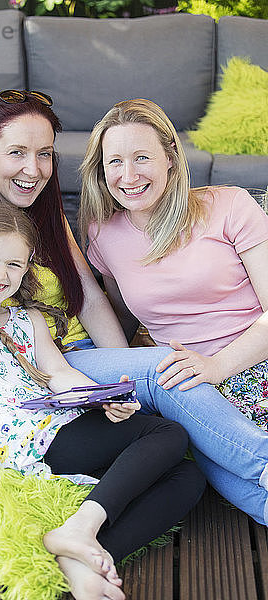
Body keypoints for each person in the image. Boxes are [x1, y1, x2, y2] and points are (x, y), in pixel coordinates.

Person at [0, 89, 268, 528]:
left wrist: (126, 370)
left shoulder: (46, 215)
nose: (33, 169)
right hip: (42, 363)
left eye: (44, 154)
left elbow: (88, 294)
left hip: (89, 360)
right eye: (17, 152)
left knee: (189, 442)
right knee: (167, 369)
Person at [0, 204, 206, 600]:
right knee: (167, 434)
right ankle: (81, 529)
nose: (1, 274)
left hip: (53, 425)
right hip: (14, 437)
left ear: (28, 265)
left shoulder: (27, 319)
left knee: (188, 477)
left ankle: (86, 558)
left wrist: (101, 400)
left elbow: (58, 375)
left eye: (14, 264)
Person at [79, 97, 268, 517]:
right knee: (246, 494)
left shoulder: (230, 206)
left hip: (253, 360)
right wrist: (121, 386)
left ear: (170, 157)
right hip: (191, 391)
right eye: (115, 162)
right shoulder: (102, 233)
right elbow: (121, 313)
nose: (128, 176)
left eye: (142, 157)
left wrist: (218, 365)